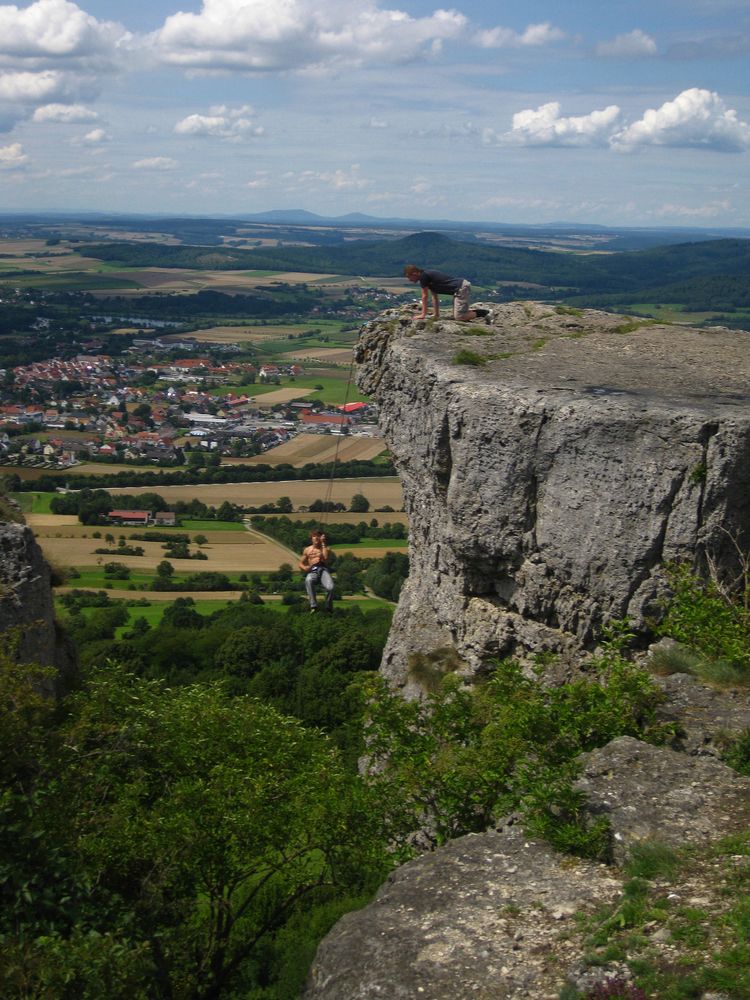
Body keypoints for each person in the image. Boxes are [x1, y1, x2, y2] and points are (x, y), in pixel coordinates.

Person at [404, 264, 480, 322]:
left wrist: (423, 315)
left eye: (409, 277)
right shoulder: (427, 276)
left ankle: (485, 313)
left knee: (460, 317)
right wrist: (436, 315)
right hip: (460, 288)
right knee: (457, 315)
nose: (409, 280)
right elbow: (434, 297)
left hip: (461, 288)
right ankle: (479, 313)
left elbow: (424, 296)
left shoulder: (424, 277)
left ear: (414, 274)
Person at [299, 528, 334, 613]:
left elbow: (325, 558)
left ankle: (328, 607)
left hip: (323, 569)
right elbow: (300, 563)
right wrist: (305, 568)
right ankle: (313, 606)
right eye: (314, 536)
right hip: (313, 570)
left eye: (318, 536)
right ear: (311, 538)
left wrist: (323, 543)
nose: (316, 538)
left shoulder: (325, 548)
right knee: (308, 580)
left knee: (331, 587)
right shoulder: (307, 550)